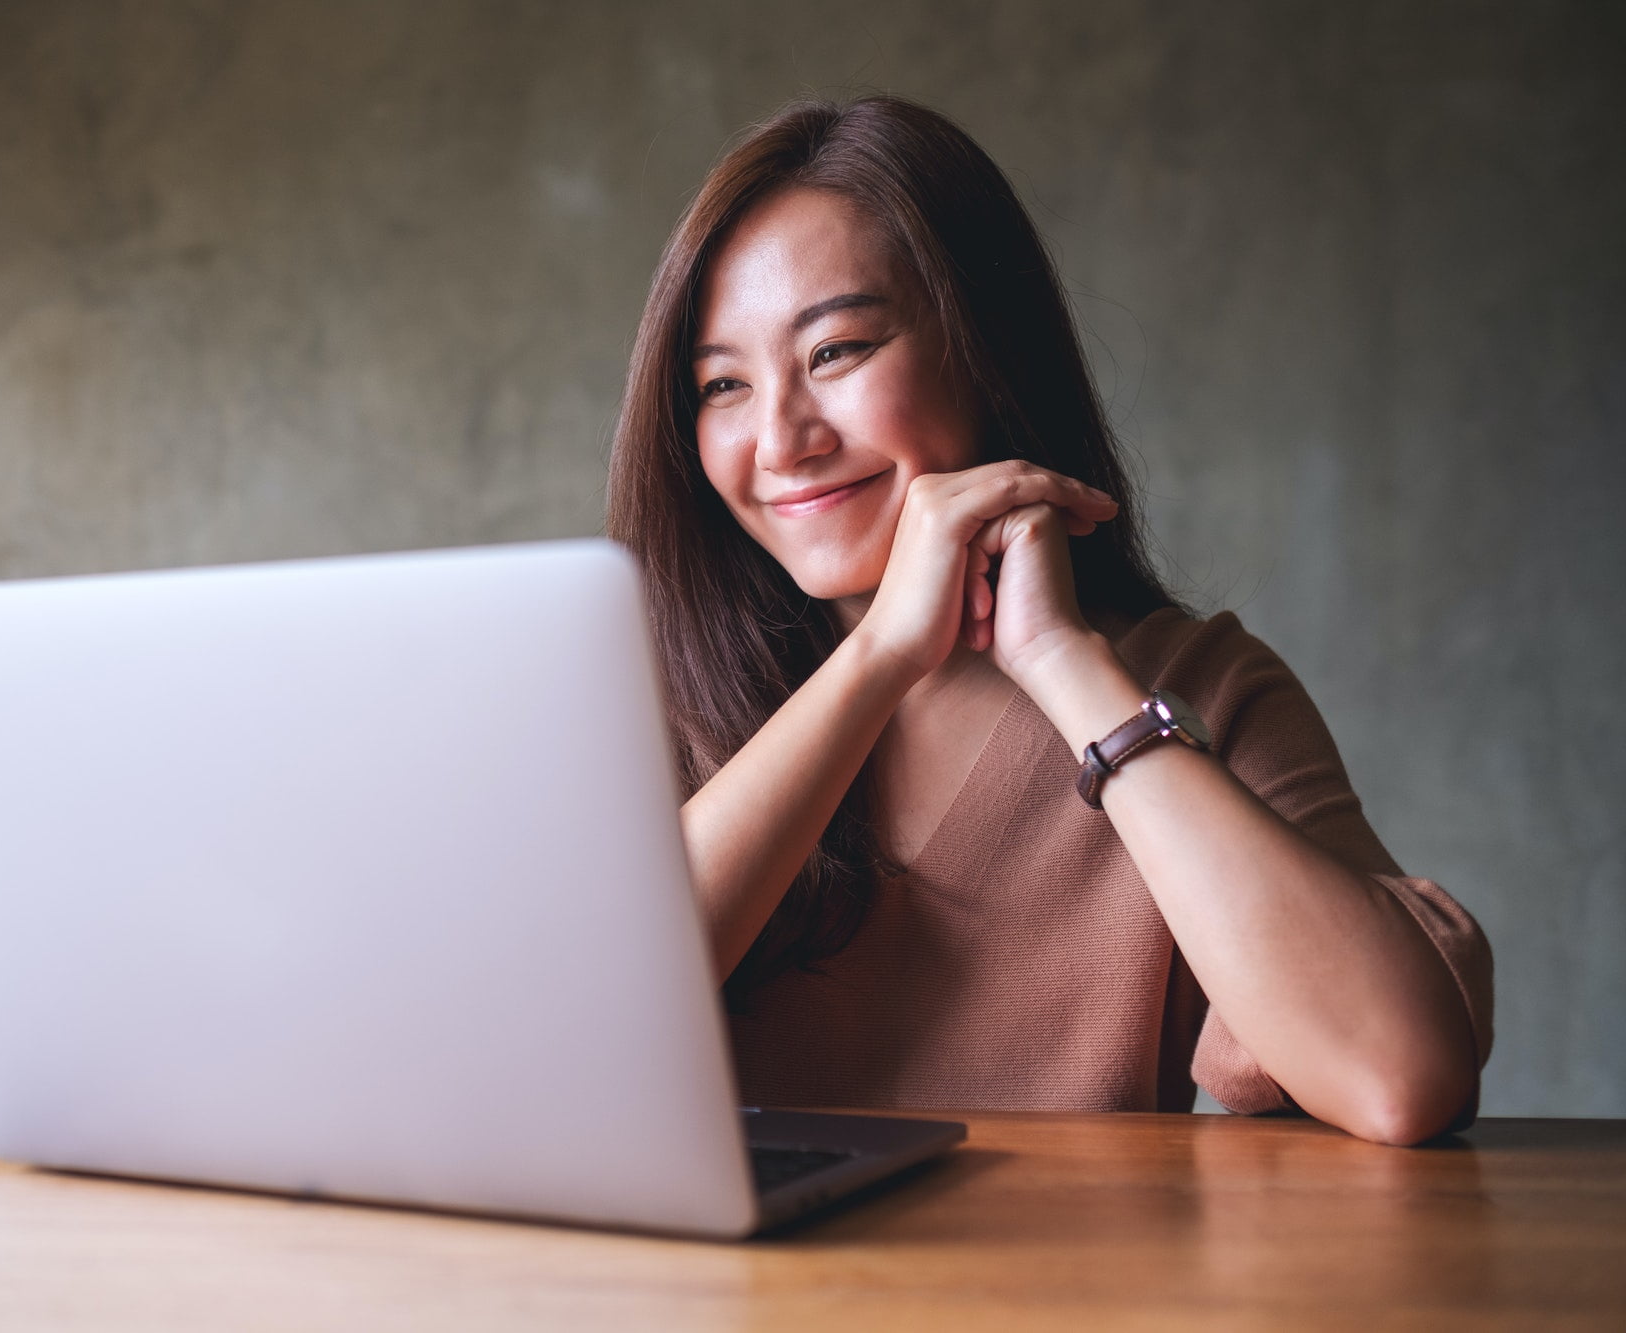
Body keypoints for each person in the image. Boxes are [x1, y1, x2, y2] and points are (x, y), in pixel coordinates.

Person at [605, 95, 1491, 1146]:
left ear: (982, 347)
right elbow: (553, 1027)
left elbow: (1397, 1073)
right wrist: (882, 656)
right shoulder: (638, 701)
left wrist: (1061, 660)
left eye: (835, 352)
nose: (780, 439)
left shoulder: (1193, 687)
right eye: (719, 385)